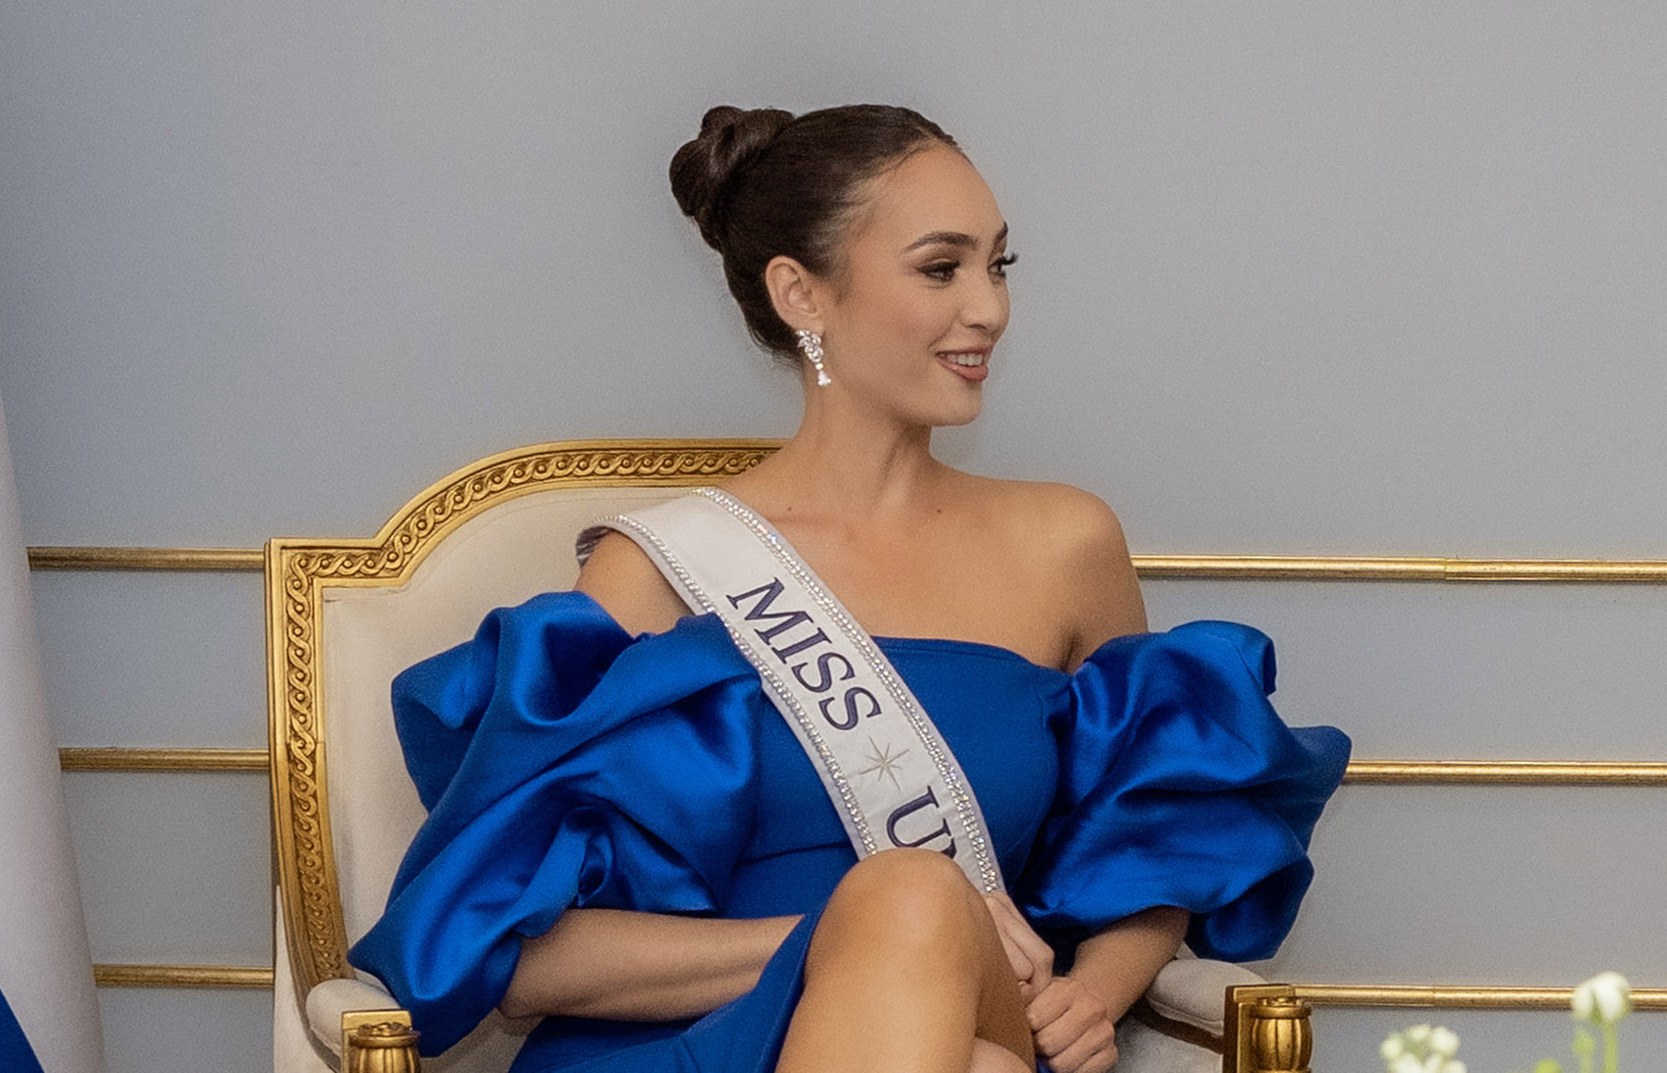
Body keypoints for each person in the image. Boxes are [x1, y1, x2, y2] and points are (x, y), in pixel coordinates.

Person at [349, 104, 1351, 1073]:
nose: (989, 306)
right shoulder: (657, 570)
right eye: (939, 267)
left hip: (988, 1007)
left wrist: (1097, 984)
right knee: (932, 950)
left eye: (997, 264)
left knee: (921, 917)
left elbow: (1159, 825)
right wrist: (848, 931)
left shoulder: (1064, 542)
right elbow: (525, 963)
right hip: (684, 1044)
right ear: (801, 293)